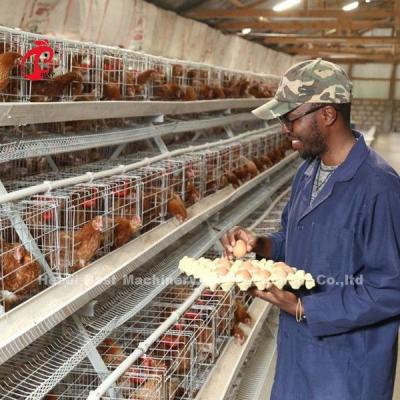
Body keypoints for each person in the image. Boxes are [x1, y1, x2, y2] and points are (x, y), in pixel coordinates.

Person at [221, 58, 400, 400]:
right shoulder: (308, 172)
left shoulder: (380, 189)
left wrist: (305, 308)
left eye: (290, 119)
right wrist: (260, 244)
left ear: (327, 115)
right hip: (298, 360)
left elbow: (390, 288)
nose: (284, 129)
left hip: (347, 372)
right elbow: (294, 239)